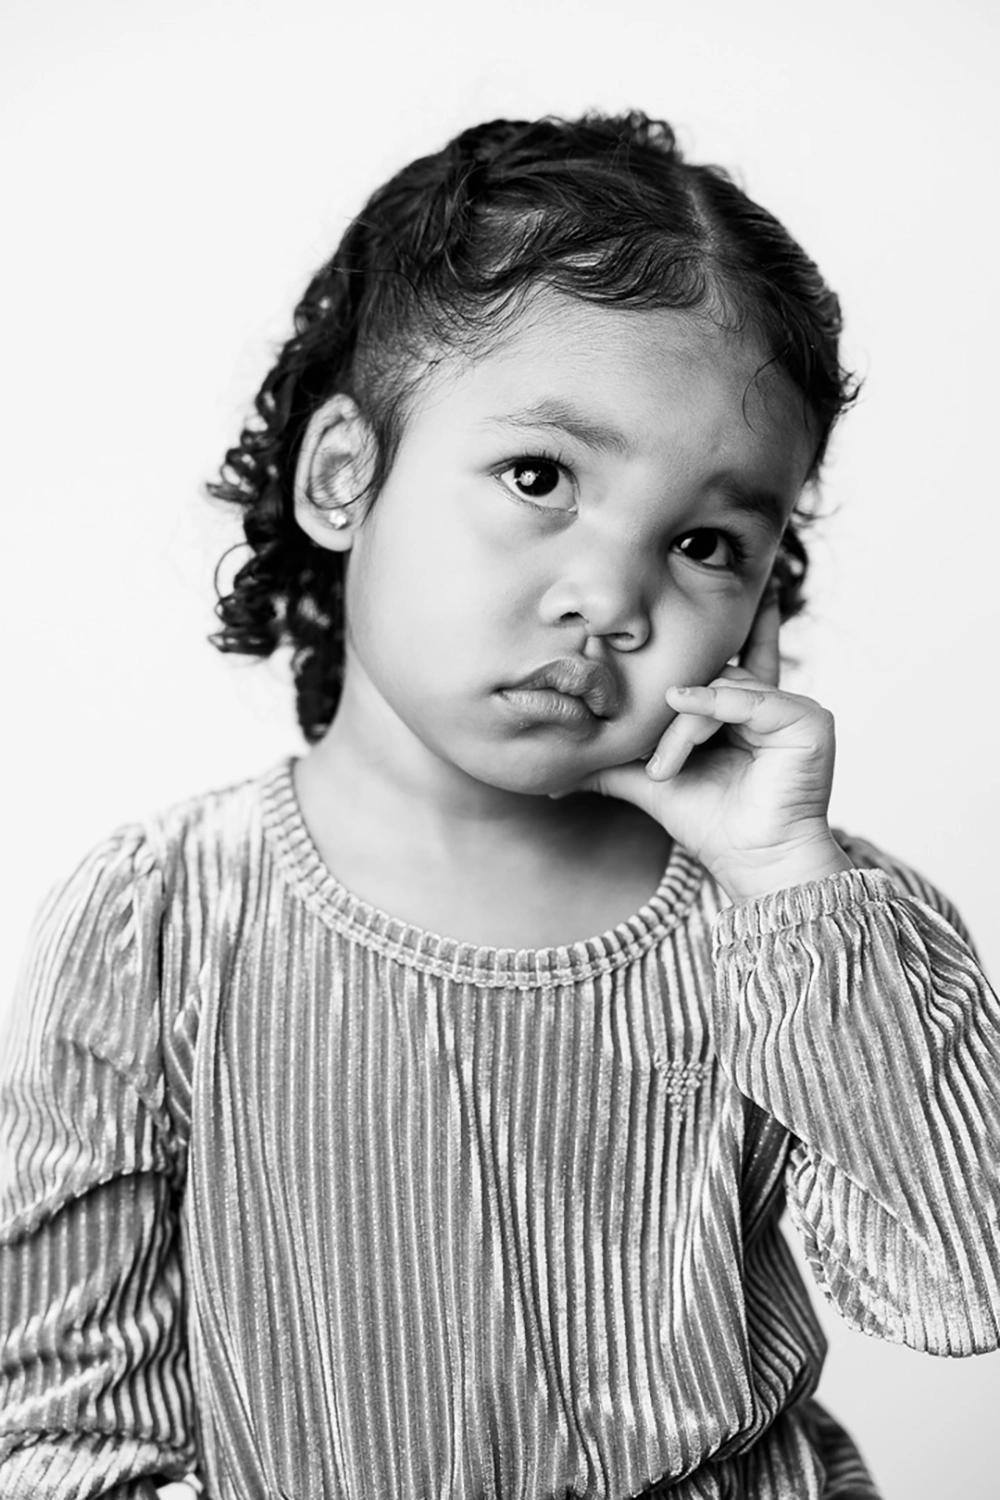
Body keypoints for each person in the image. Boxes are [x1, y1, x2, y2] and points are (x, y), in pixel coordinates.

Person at [1, 110, 997, 1500]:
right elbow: (66, 1432)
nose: (612, 596)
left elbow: (962, 1285)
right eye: (541, 478)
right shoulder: (156, 924)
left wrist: (788, 885)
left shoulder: (801, 922)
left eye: (706, 544)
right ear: (345, 475)